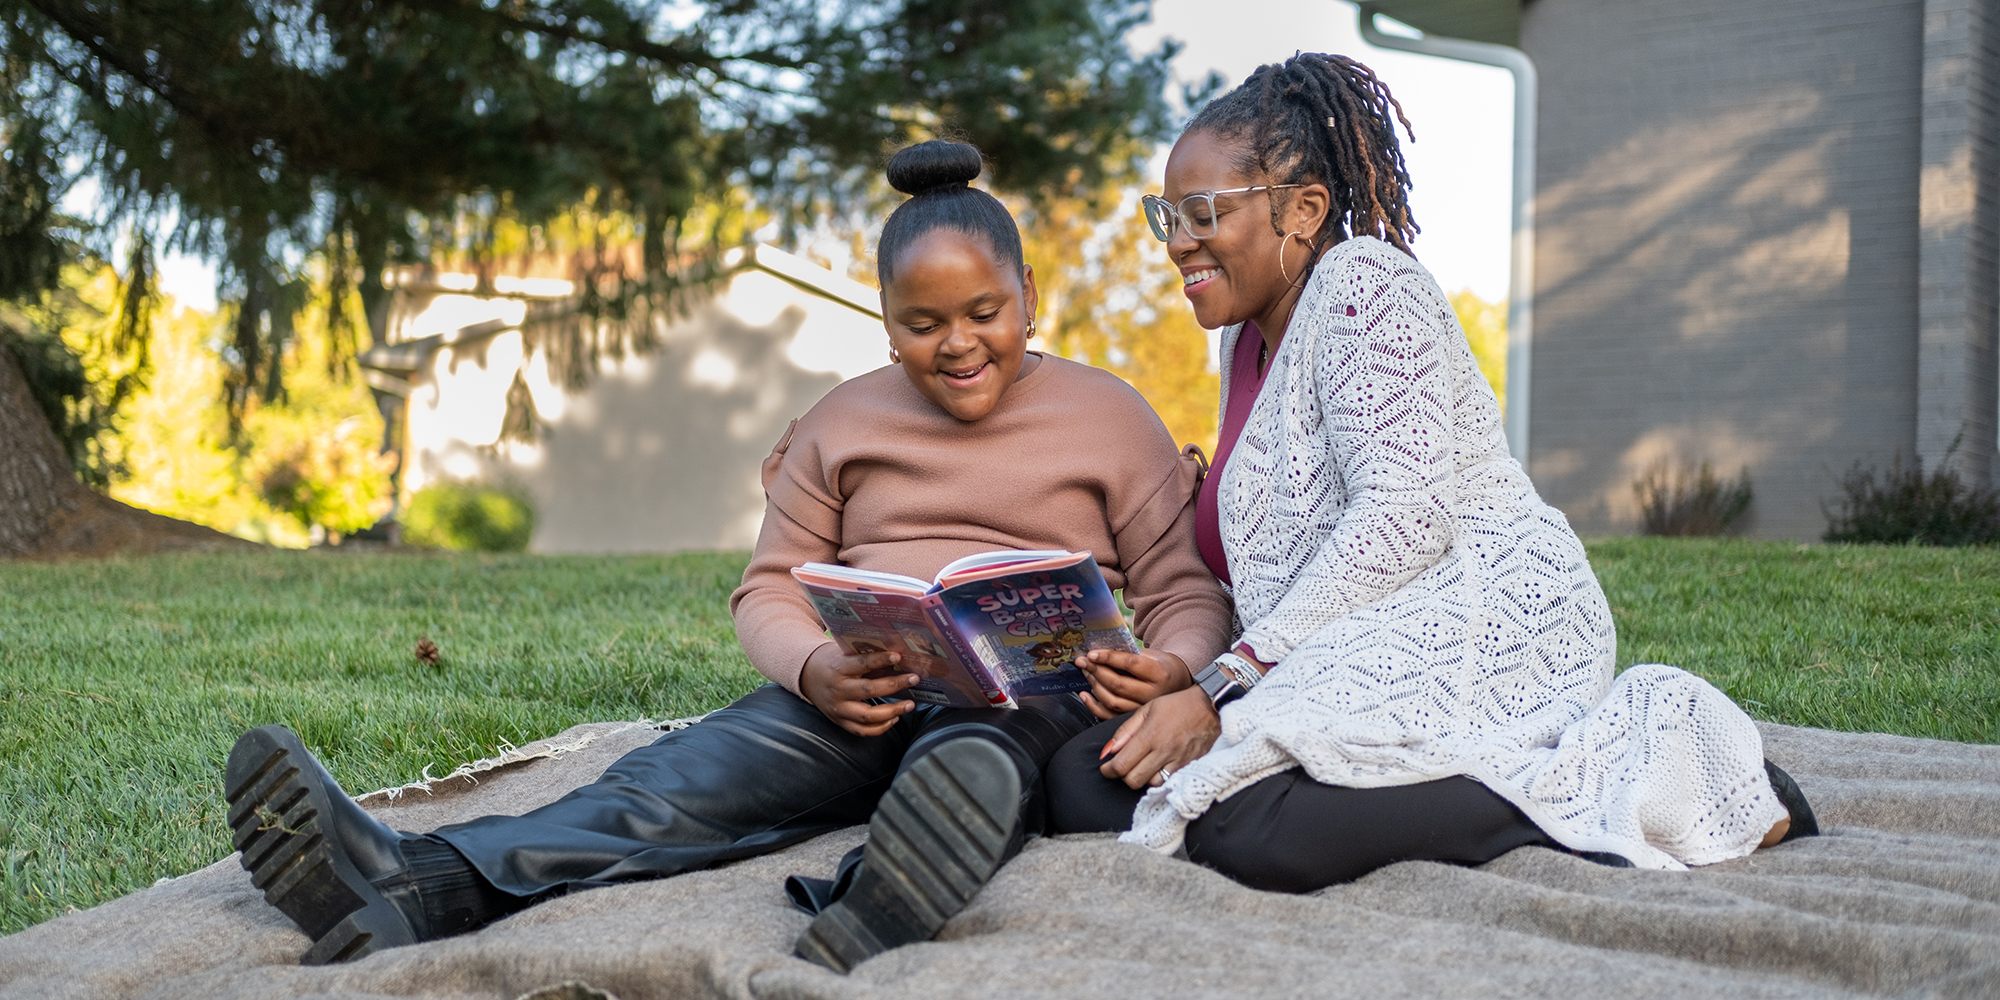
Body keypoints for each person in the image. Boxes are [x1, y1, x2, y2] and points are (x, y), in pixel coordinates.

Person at [223, 140, 1231, 970]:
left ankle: (875, 899)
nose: (956, 345)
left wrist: (1169, 665)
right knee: (672, 781)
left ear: (1028, 296)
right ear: (886, 326)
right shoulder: (841, 423)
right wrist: (814, 666)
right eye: (921, 326)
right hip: (855, 688)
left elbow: (1183, 589)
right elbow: (767, 588)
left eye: (983, 315)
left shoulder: (1111, 418)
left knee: (973, 763)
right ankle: (413, 881)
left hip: (1028, 699)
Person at [1045, 53, 1819, 892]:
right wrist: (1189, 678)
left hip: (1474, 624)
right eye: (1169, 215)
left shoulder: (1365, 287)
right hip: (1329, 649)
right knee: (1087, 772)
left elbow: (1406, 519)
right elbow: (1283, 569)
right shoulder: (1242, 342)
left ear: (1302, 210)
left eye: (1203, 212)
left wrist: (1225, 684)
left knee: (1251, 830)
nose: (1179, 242)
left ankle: (1653, 764)